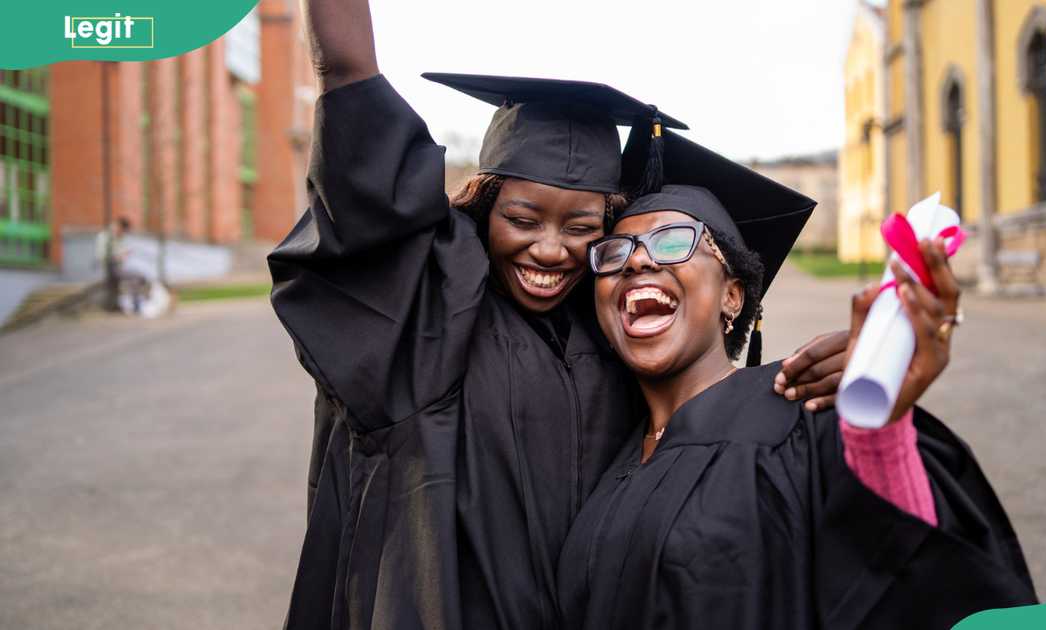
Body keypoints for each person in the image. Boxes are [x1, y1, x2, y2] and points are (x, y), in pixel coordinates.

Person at [268, 1, 849, 628]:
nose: (549, 248)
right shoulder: (428, 315)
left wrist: (847, 387)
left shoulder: (612, 336)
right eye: (521, 219)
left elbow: (712, 409)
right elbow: (357, 122)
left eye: (582, 227)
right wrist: (342, 60)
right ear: (483, 209)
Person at [556, 131, 1037, 630]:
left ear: (733, 297)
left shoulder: (802, 411)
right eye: (614, 253)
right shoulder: (604, 458)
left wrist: (881, 428)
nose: (636, 260)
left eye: (673, 241)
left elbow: (910, 575)